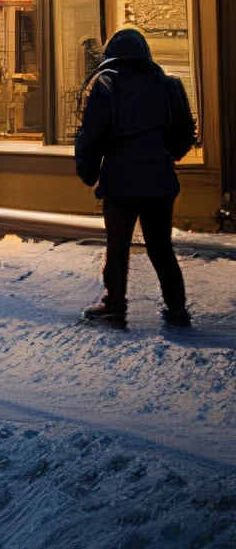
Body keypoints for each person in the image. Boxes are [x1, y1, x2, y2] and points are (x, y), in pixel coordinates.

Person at [74, 27, 195, 329]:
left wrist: (88, 171)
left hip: (120, 182)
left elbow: (92, 136)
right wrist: (164, 156)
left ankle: (115, 307)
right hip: (158, 180)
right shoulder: (168, 86)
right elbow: (183, 135)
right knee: (160, 245)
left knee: (118, 246)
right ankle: (177, 308)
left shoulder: (106, 86)